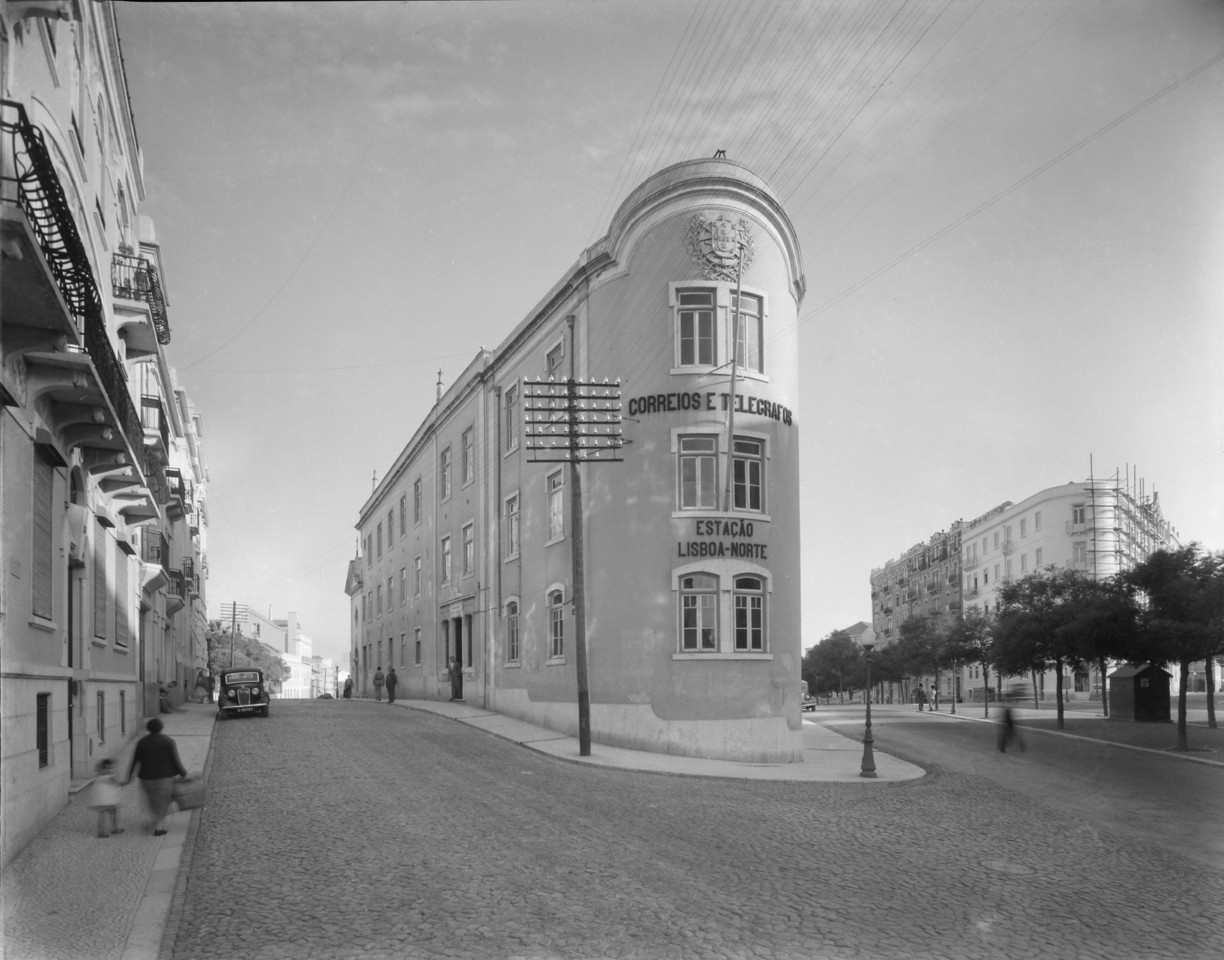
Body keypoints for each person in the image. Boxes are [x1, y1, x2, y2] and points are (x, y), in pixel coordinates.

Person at [124, 717, 187, 836]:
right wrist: (184, 774)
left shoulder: (142, 742)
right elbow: (175, 760)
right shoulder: (168, 741)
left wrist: (129, 776)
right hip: (165, 777)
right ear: (161, 728)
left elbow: (135, 760)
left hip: (146, 777)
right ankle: (159, 826)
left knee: (152, 799)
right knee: (163, 801)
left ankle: (155, 817)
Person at [89, 758, 124, 838]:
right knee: (114, 813)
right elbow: (117, 783)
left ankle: (100, 832)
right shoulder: (110, 776)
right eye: (111, 767)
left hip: (99, 801)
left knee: (101, 816)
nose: (111, 769)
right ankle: (115, 828)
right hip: (109, 801)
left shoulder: (98, 776)